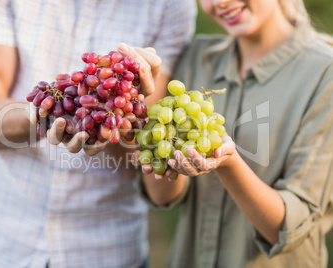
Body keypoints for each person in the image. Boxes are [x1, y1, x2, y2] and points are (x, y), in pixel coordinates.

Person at [0, 0, 197, 267]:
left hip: (106, 251)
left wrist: (116, 116)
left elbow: (135, 159)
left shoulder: (171, 6)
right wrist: (49, 114)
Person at [134, 0, 333, 267]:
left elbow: (290, 229)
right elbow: (162, 197)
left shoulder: (325, 75)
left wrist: (228, 164)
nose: (220, 3)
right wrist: (138, 118)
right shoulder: (197, 56)